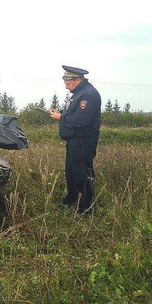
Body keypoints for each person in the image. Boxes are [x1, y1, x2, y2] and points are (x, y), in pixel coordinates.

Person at [50, 65, 101, 214]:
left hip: (83, 141)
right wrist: (61, 113)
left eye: (68, 83)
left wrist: (61, 117)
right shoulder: (78, 93)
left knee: (83, 173)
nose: (66, 87)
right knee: (71, 172)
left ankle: (86, 207)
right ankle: (71, 199)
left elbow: (81, 120)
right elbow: (74, 112)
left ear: (77, 79)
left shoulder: (88, 95)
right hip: (73, 141)